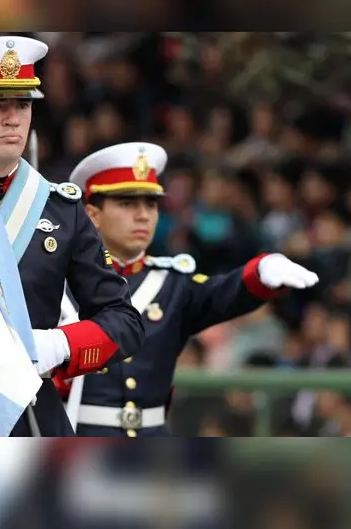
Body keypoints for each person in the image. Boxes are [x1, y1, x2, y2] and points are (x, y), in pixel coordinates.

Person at [0, 35, 145, 437]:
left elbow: (124, 321)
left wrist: (58, 346)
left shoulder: (61, 209)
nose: (13, 118)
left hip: (28, 411)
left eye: (23, 103)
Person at [59, 141, 319, 436]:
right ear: (93, 215)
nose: (143, 215)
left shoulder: (173, 284)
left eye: (150, 203)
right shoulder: (60, 284)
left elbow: (223, 293)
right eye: (128, 203)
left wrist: (262, 271)